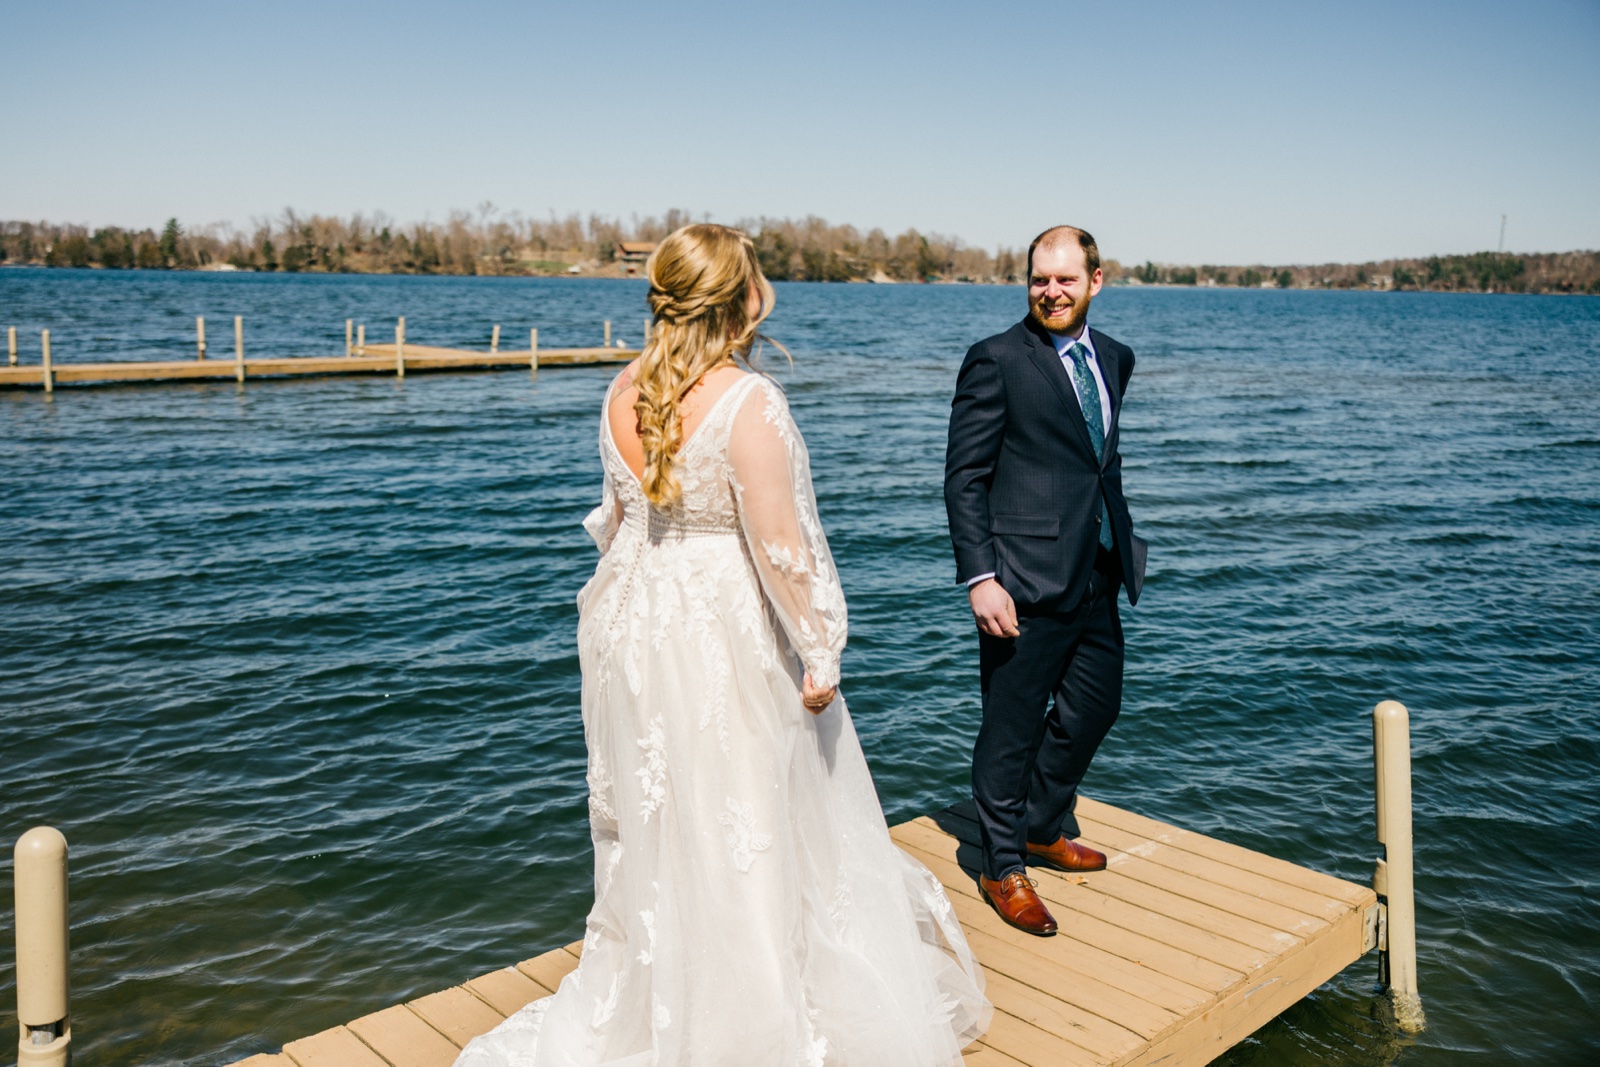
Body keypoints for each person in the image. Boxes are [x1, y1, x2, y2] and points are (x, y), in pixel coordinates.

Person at [459, 224, 989, 1067]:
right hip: (720, 631)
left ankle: (666, 994)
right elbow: (782, 547)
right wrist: (821, 652)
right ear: (744, 299)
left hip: (634, 625)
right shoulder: (749, 400)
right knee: (749, 816)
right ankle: (749, 1026)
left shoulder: (620, 390)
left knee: (662, 823)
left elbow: (619, 522)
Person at [943, 225, 1146, 938]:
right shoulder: (995, 360)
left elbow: (1099, 464)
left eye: (1065, 278)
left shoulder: (1115, 359)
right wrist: (980, 577)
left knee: (1097, 705)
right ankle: (1002, 864)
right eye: (1038, 279)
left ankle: (1037, 823)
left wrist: (1119, 543)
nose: (1051, 291)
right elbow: (964, 478)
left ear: (1097, 279)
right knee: (1011, 727)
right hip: (1021, 580)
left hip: (1096, 570)